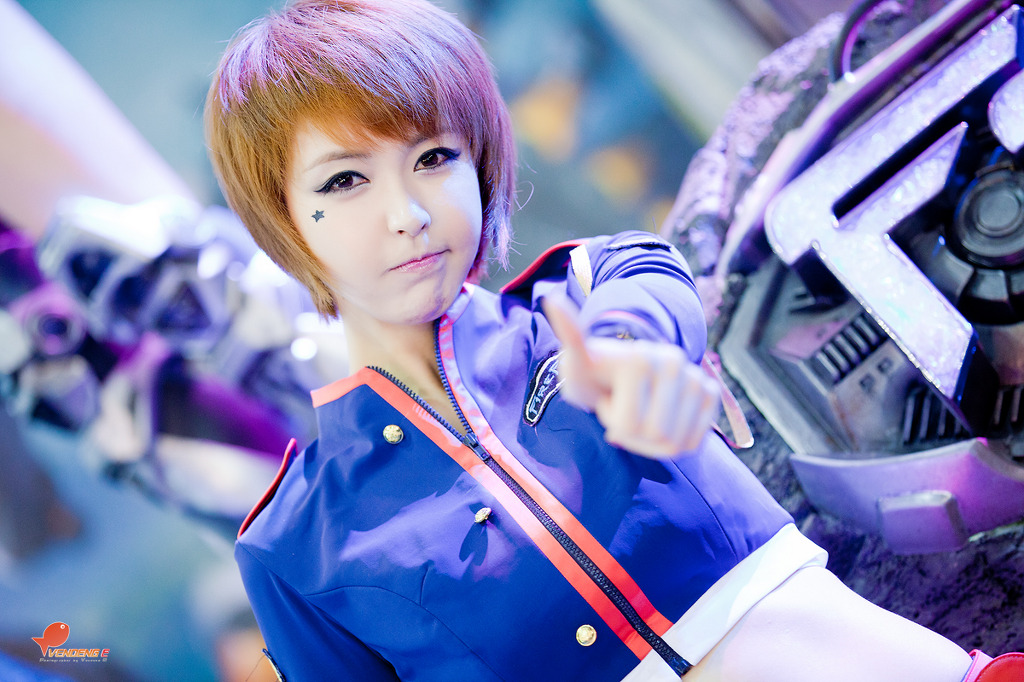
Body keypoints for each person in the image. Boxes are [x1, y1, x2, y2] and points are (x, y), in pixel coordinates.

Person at [204, 0, 1022, 680]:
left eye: (434, 156)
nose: (407, 214)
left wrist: (636, 360)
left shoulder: (595, 287)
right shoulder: (295, 550)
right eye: (345, 179)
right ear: (282, 218)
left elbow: (644, 312)